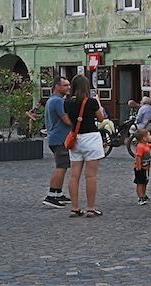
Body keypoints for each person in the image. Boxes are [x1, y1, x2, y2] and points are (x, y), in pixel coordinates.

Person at [63, 73, 106, 217]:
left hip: (76, 139)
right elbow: (101, 118)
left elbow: (70, 120)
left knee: (74, 175)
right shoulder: (92, 102)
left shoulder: (67, 103)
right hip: (91, 138)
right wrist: (98, 103)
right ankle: (91, 208)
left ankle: (74, 208)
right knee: (91, 176)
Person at [41, 76, 73, 208]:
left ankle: (58, 193)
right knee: (61, 166)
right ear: (57, 87)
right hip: (59, 138)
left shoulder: (51, 100)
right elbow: (66, 119)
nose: (68, 87)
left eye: (69, 85)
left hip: (55, 137)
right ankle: (51, 195)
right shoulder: (58, 101)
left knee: (63, 166)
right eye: (65, 85)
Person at [131, 128, 151, 205]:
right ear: (144, 138)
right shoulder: (140, 147)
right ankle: (140, 197)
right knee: (140, 183)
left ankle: (144, 195)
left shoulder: (146, 145)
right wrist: (139, 167)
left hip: (146, 168)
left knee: (145, 182)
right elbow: (138, 157)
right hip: (141, 168)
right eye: (149, 135)